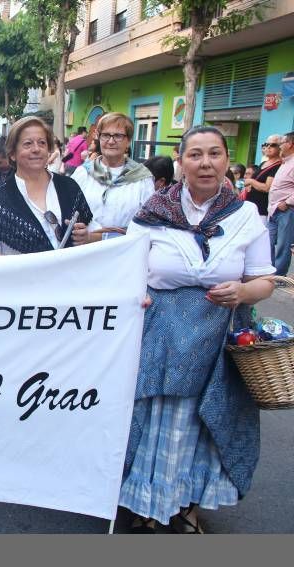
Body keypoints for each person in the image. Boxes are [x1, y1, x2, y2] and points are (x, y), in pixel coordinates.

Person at [122, 125, 274, 534]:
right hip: (159, 332)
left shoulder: (246, 217)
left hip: (217, 333)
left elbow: (265, 280)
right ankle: (145, 504)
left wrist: (243, 290)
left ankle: (187, 505)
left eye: (214, 154)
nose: (205, 163)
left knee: (202, 422)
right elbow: (126, 271)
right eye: (195, 155)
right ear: (181, 162)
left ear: (227, 160)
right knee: (154, 416)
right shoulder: (154, 211)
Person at [0, 117, 92, 256]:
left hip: (70, 275)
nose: (36, 149)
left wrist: (87, 237)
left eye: (42, 143)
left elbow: (94, 232)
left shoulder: (69, 187)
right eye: (28, 144)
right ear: (12, 153)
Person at [71, 112, 154, 241]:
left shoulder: (142, 179)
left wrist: (100, 237)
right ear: (99, 138)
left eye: (118, 136)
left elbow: (148, 225)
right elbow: (68, 212)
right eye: (105, 135)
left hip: (124, 251)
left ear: (128, 141)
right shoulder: (83, 173)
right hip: (85, 251)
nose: (111, 141)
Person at [266, 131, 294, 275]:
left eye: (282, 143)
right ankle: (268, 272)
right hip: (274, 209)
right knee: (267, 241)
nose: (279, 146)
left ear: (290, 144)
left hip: (286, 210)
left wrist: (287, 202)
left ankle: (279, 275)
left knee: (283, 244)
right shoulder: (285, 162)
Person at [244, 135, 282, 220]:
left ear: (280, 147)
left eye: (273, 145)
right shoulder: (263, 163)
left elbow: (267, 188)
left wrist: (251, 182)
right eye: (266, 144)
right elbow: (252, 181)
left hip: (262, 210)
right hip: (251, 207)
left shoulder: (278, 165)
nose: (268, 147)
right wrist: (249, 184)